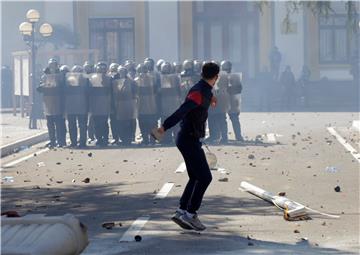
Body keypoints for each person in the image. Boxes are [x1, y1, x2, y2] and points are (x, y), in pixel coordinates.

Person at [155, 62, 219, 231]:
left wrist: (211, 98)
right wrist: (164, 126)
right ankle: (190, 215)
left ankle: (181, 211)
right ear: (216, 77)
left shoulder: (203, 89)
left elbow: (204, 96)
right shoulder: (199, 92)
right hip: (188, 139)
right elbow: (182, 110)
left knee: (195, 176)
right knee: (205, 177)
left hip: (188, 138)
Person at [37, 58, 67, 148]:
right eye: (51, 65)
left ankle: (60, 141)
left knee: (59, 124)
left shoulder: (61, 76)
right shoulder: (44, 76)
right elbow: (39, 88)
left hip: (58, 102)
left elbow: (64, 88)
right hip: (48, 102)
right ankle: (52, 140)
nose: (52, 67)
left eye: (54, 65)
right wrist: (42, 87)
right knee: (50, 124)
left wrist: (58, 87)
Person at [64, 65, 89, 148]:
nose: (76, 73)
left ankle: (82, 142)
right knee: (72, 125)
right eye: (75, 71)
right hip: (71, 105)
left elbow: (88, 92)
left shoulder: (86, 80)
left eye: (78, 71)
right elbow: (64, 91)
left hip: (82, 104)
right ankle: (73, 142)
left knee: (82, 125)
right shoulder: (68, 80)